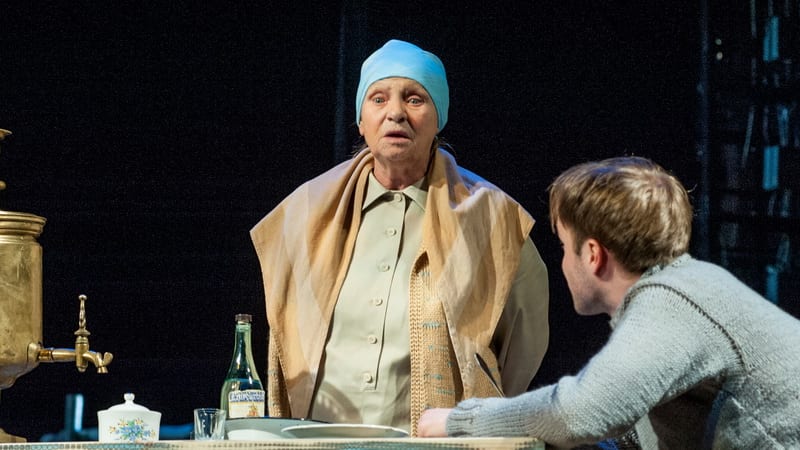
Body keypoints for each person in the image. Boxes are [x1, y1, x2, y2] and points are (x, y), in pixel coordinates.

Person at [249, 39, 550, 436]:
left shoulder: (492, 219)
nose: (395, 113)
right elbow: (286, 335)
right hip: (320, 440)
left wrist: (477, 416)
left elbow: (523, 347)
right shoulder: (305, 213)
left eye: (414, 99)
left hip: (436, 444)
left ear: (438, 118)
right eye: (378, 99)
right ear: (361, 121)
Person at [418, 156, 800, 448]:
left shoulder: (672, 303)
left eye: (564, 247)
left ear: (593, 254)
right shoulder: (686, 290)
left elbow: (578, 413)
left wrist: (460, 422)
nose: (563, 263)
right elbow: (626, 434)